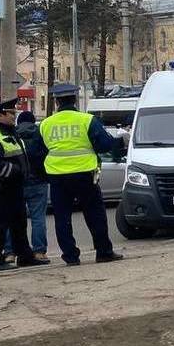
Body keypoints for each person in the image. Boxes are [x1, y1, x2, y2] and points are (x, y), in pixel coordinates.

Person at [40, 84, 123, 266]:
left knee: (62, 217)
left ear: (56, 102)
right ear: (75, 100)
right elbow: (104, 145)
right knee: (95, 214)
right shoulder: (87, 120)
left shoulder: (46, 124)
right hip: (85, 174)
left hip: (57, 176)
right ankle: (103, 252)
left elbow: (37, 151)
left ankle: (70, 256)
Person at [0, 99, 48, 271]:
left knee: (19, 223)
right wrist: (15, 171)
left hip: (16, 187)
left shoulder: (11, 132)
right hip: (1, 187)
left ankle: (24, 256)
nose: (14, 117)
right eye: (11, 114)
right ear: (0, 114)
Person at [3, 111, 50, 261]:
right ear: (33, 121)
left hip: (17, 182)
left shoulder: (12, 134)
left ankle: (10, 252)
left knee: (13, 218)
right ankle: (39, 252)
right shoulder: (40, 135)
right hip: (38, 181)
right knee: (38, 218)